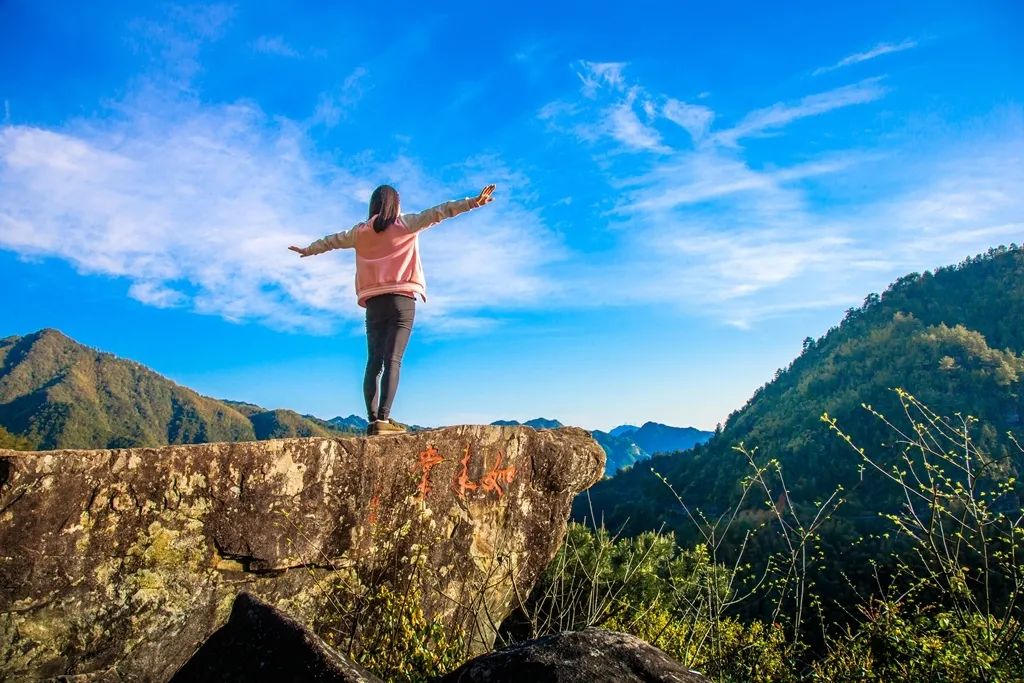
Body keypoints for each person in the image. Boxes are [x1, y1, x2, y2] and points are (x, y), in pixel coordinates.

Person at [289, 183, 496, 435]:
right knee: (393, 360)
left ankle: (373, 418)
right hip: (402, 300)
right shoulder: (405, 224)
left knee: (373, 362)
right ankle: (384, 421)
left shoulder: (360, 232)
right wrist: (473, 202)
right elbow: (441, 211)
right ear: (395, 204)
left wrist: (309, 250)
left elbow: (332, 241)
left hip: (373, 303)